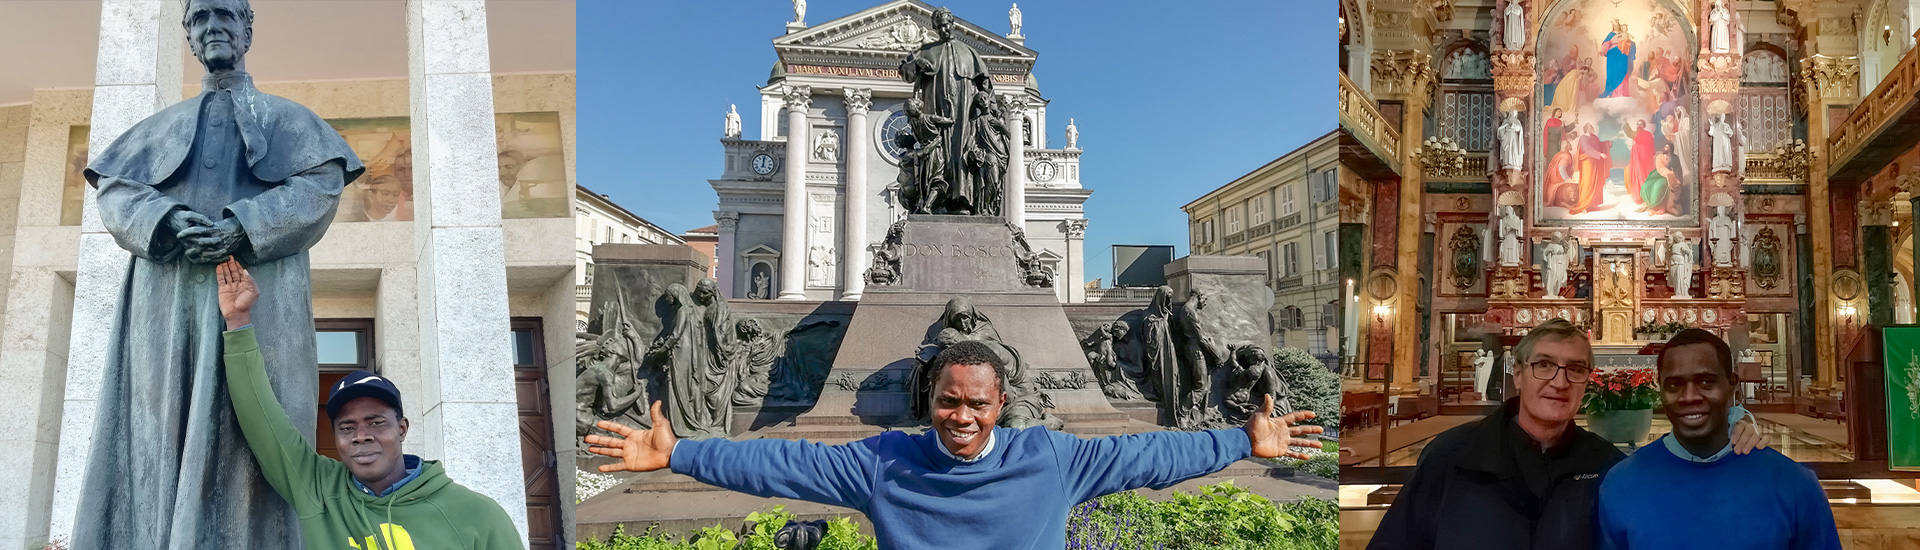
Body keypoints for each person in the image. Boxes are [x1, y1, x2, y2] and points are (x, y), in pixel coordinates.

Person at [72, 0, 363, 546]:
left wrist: (244, 224)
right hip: (165, 299)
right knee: (157, 427)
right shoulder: (158, 129)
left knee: (250, 427)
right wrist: (165, 218)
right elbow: (117, 191)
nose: (212, 28)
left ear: (248, 28)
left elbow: (319, 185)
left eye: (224, 15)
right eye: (200, 18)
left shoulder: (291, 122)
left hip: (261, 292)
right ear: (187, 34)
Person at [587, 340, 1325, 549]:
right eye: (948, 401)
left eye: (976, 403)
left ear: (1001, 404)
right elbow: (784, 460)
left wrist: (1239, 440)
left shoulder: (1054, 458)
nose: (962, 416)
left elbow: (1152, 457)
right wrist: (679, 453)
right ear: (930, 402)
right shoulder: (882, 463)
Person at [1368, 319, 1767, 550]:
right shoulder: (1451, 455)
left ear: (1587, 381)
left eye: (1575, 369)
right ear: (1518, 373)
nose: (1559, 381)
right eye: (1544, 365)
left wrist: (1730, 436)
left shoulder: (1607, 466)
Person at [216, 259, 522, 549]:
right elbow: (263, 422)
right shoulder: (320, 490)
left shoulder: (477, 516)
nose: (361, 435)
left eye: (376, 422)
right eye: (347, 427)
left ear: (402, 428)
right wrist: (238, 320)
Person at [1597, 329, 1840, 550]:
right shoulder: (1621, 484)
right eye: (1674, 385)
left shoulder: (1794, 484)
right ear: (1659, 389)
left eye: (1706, 382)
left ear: (1732, 384)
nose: (1689, 396)